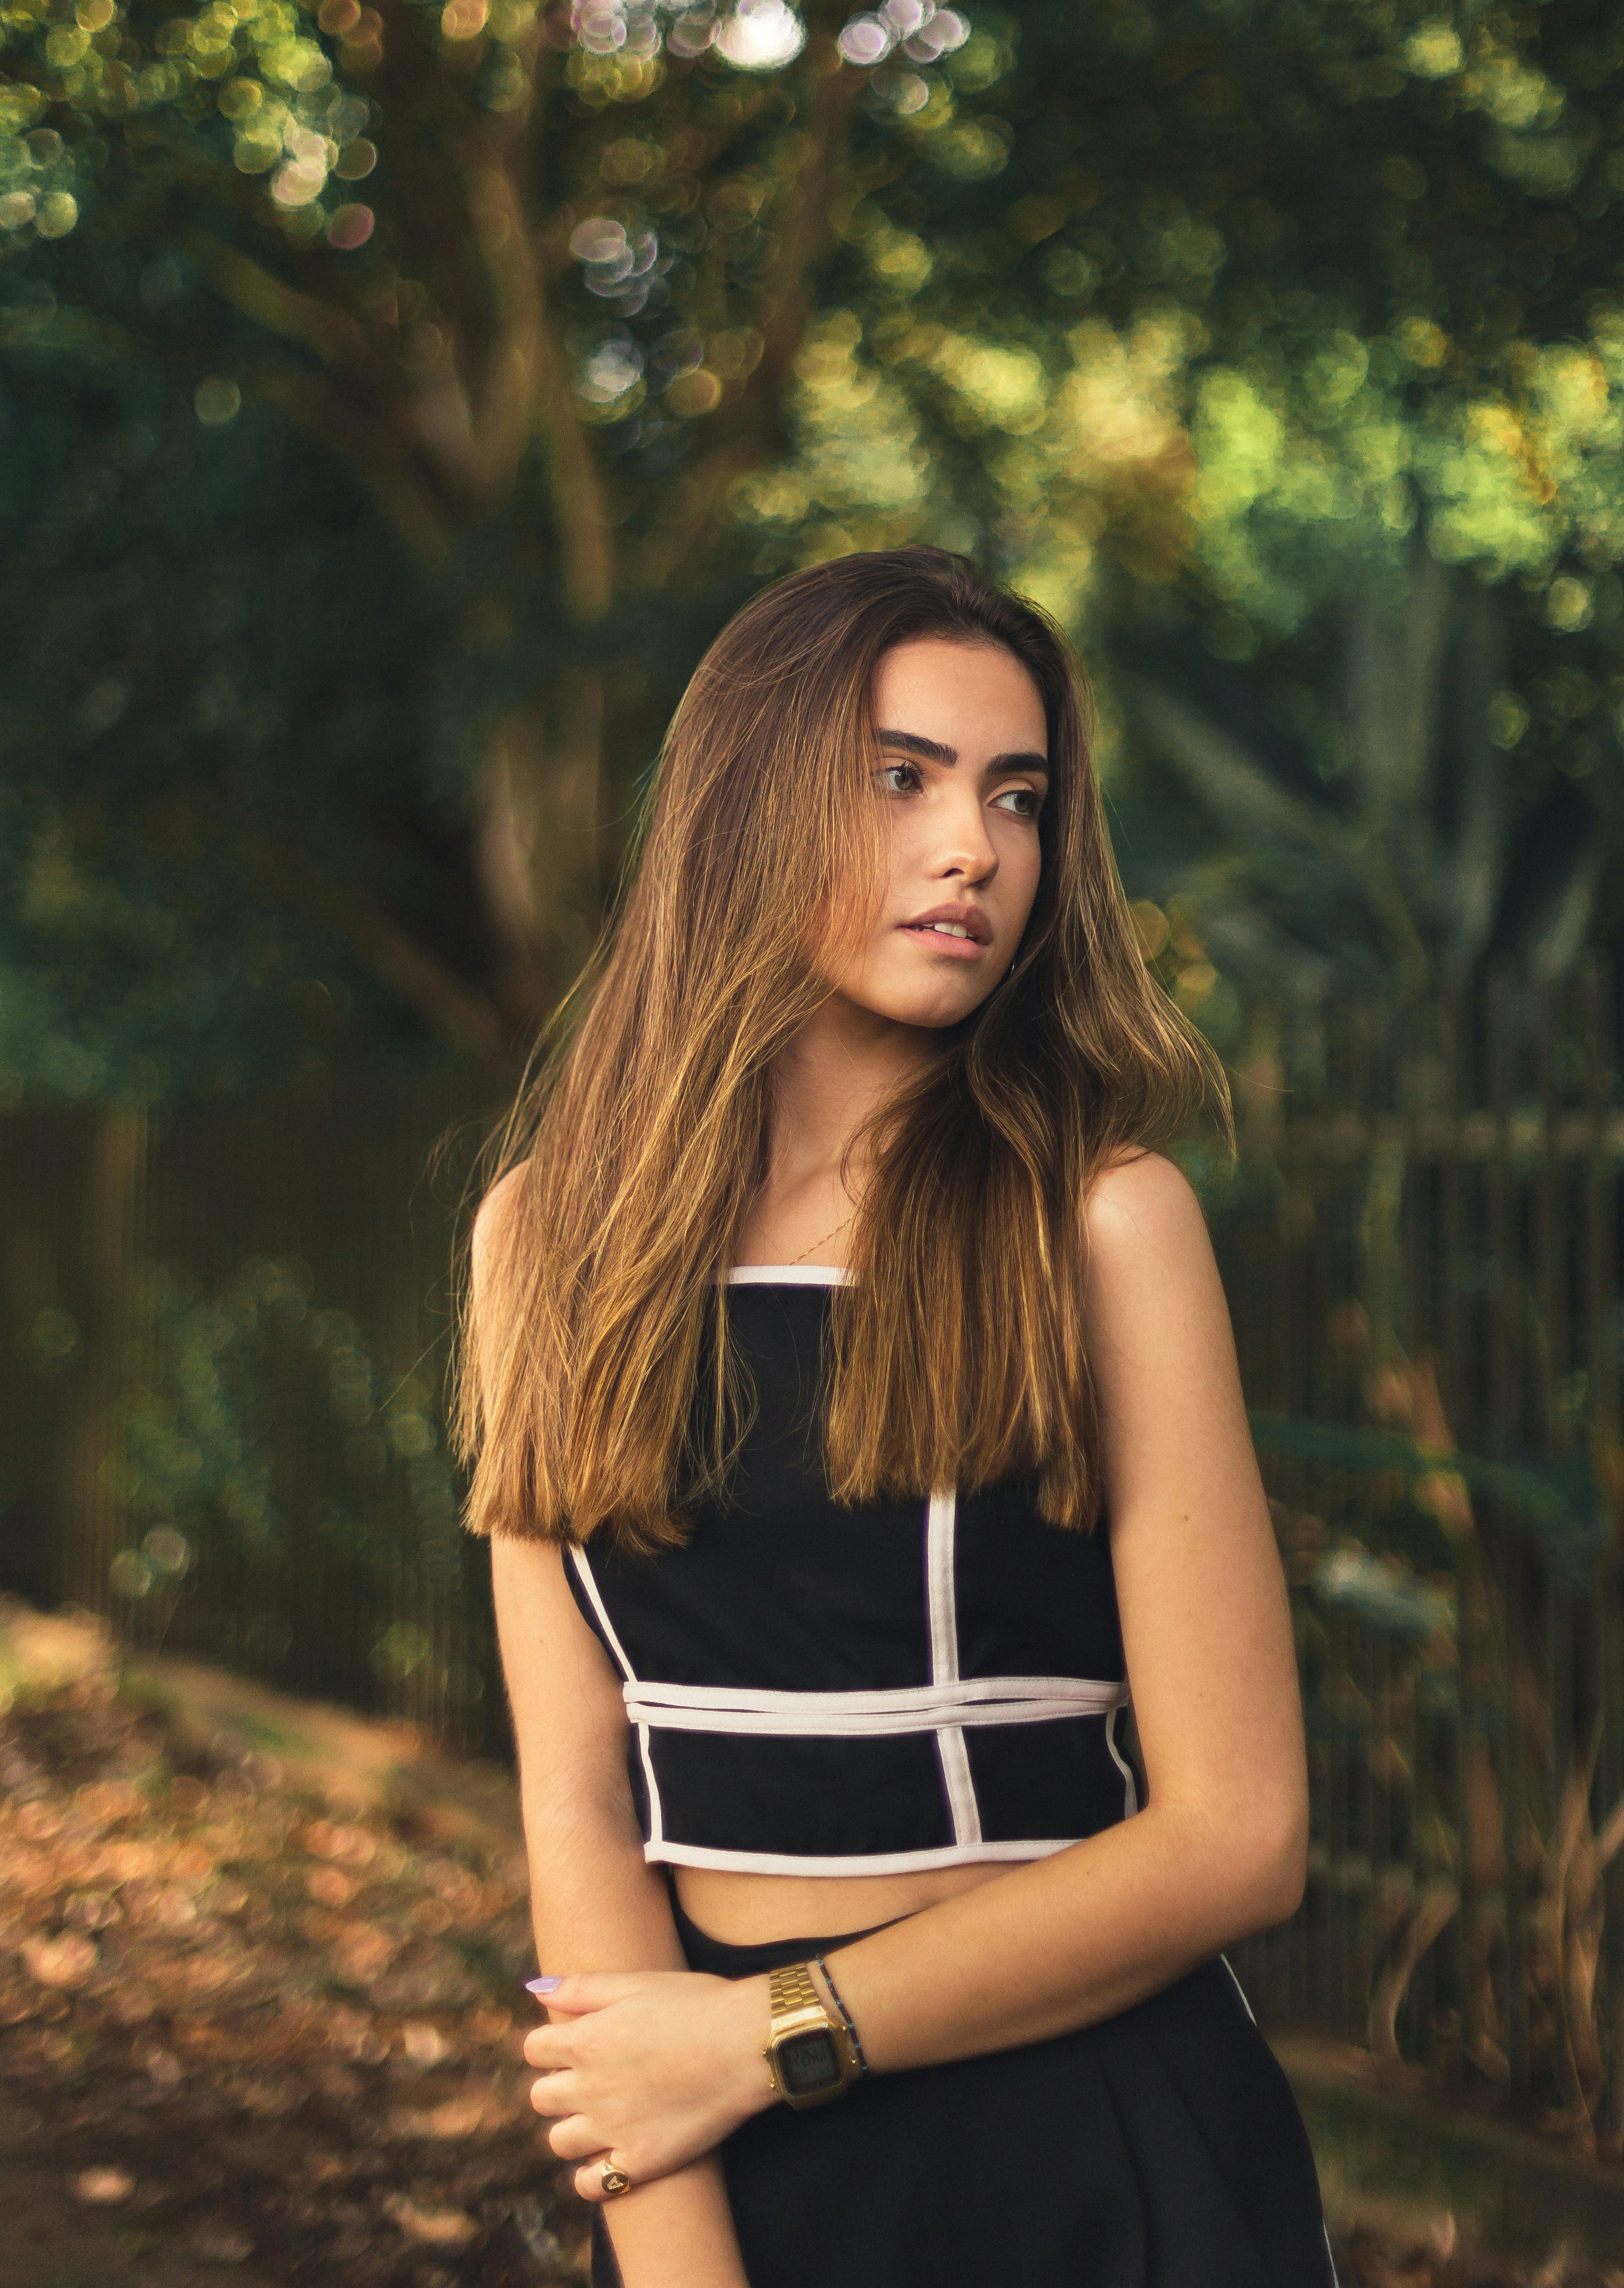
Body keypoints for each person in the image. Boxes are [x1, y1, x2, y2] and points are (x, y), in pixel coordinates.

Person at [458, 547, 1334, 2288]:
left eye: (1015, 795)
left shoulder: (1102, 1220)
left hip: (1097, 2140)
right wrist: (680, 2252)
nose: (973, 849)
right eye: (900, 777)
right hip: (719, 2140)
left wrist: (772, 2032)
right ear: (746, 804)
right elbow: (578, 1811)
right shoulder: (542, 1241)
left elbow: (1240, 1834)